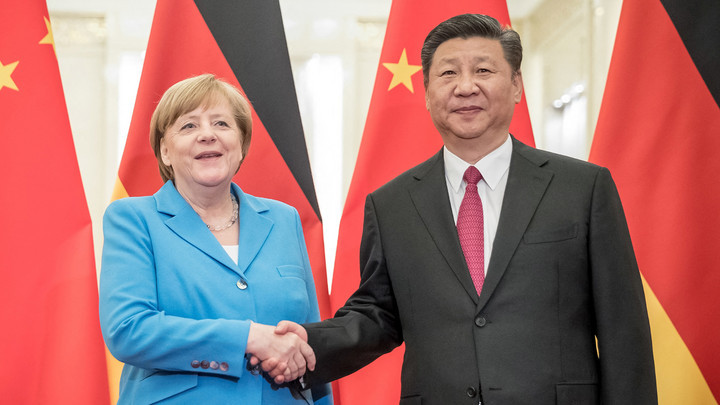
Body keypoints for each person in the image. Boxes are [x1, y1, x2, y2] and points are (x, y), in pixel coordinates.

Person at [264, 13, 657, 404]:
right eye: (448, 74)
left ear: (517, 84)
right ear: (427, 90)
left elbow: (624, 332)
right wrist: (307, 343)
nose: (466, 87)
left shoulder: (583, 189)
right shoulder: (391, 205)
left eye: (483, 70)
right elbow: (377, 315)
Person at [99, 74, 331, 404]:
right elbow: (129, 330)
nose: (207, 135)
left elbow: (310, 343)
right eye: (189, 126)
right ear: (165, 151)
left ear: (241, 145)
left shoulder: (284, 219)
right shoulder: (133, 218)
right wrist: (248, 337)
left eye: (221, 123)